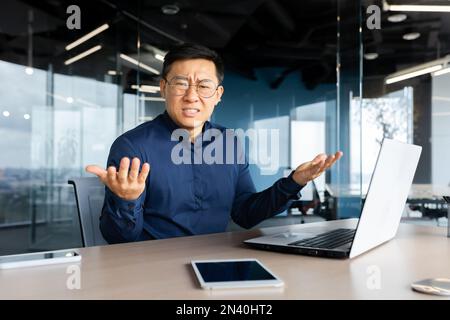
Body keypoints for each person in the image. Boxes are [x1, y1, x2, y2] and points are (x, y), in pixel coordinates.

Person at [86, 43, 343, 244]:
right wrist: (126, 200)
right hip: (154, 267)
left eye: (203, 86)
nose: (191, 96)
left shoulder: (229, 142)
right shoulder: (131, 147)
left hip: (215, 262)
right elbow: (119, 239)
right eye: (180, 83)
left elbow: (245, 214)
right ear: (163, 87)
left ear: (217, 95)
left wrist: (294, 181)